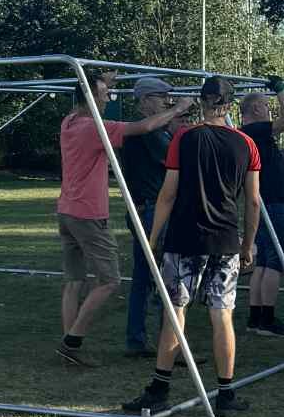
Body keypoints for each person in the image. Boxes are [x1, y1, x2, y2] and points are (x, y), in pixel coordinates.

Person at [123, 76, 261, 416]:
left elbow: (167, 194)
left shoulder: (184, 138)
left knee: (175, 314)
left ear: (201, 102)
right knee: (222, 316)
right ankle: (226, 393)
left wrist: (152, 238)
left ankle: (159, 388)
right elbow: (253, 201)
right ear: (229, 105)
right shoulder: (246, 143)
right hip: (225, 240)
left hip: (184, 238)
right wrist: (248, 244)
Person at [56, 71, 186, 368]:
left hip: (67, 211)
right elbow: (144, 126)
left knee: (75, 281)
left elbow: (89, 93)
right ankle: (72, 341)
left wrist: (102, 80)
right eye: (104, 95)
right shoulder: (95, 128)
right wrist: (178, 109)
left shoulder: (69, 122)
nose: (108, 100)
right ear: (90, 97)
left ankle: (69, 344)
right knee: (109, 281)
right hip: (88, 214)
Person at [240, 82, 284, 336]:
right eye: (267, 106)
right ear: (257, 109)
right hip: (274, 204)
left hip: (264, 203)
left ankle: (256, 317)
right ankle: (267, 319)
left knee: (263, 261)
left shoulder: (251, 134)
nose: (270, 111)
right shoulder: (255, 129)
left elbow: (282, 154)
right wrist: (281, 90)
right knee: (276, 262)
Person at [119, 76, 180, 356]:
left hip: (144, 209)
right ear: (145, 101)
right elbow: (172, 157)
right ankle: (168, 344)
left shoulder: (150, 129)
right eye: (162, 97)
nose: (168, 101)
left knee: (144, 277)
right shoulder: (147, 130)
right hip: (152, 211)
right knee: (164, 277)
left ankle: (137, 340)